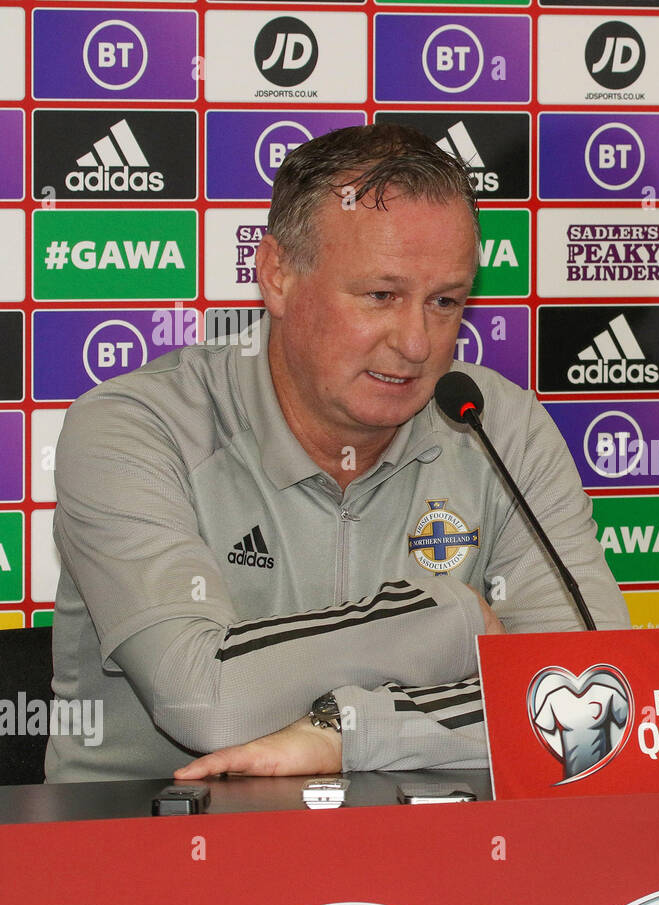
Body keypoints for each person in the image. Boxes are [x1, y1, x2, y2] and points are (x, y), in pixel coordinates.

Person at [48, 124, 629, 782]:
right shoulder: (136, 428)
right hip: (148, 860)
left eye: (445, 302)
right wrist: (453, 617)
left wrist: (349, 734)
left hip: (434, 857)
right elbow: (205, 700)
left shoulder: (499, 427)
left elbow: (596, 700)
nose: (416, 343)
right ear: (277, 275)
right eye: (381, 295)